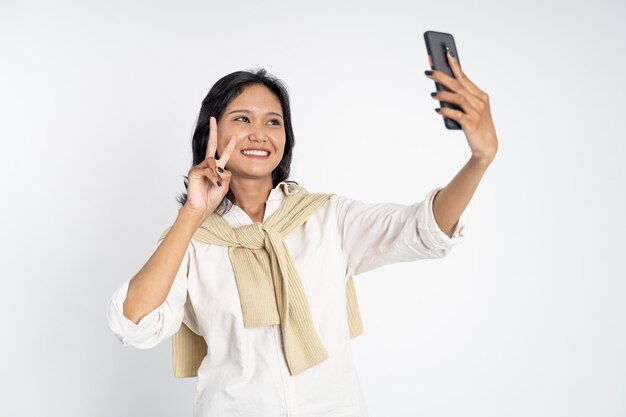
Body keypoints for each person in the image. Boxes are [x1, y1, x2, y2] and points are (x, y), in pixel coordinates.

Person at [107, 58, 498, 417]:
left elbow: (422, 229)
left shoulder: (327, 218)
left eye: (273, 122)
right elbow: (134, 323)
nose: (259, 134)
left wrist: (479, 160)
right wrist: (192, 215)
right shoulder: (191, 239)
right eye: (242, 119)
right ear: (211, 129)